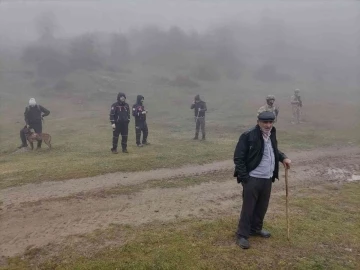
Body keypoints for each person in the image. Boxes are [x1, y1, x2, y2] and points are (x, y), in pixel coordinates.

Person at [233, 111, 291, 249]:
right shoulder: (248, 135)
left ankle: (256, 229)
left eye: (271, 122)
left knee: (262, 206)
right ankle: (242, 235)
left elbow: (273, 150)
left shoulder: (272, 133)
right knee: (248, 208)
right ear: (258, 122)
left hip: (267, 177)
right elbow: (238, 158)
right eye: (265, 122)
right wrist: (245, 178)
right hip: (253, 178)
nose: (268, 125)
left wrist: (283, 158)